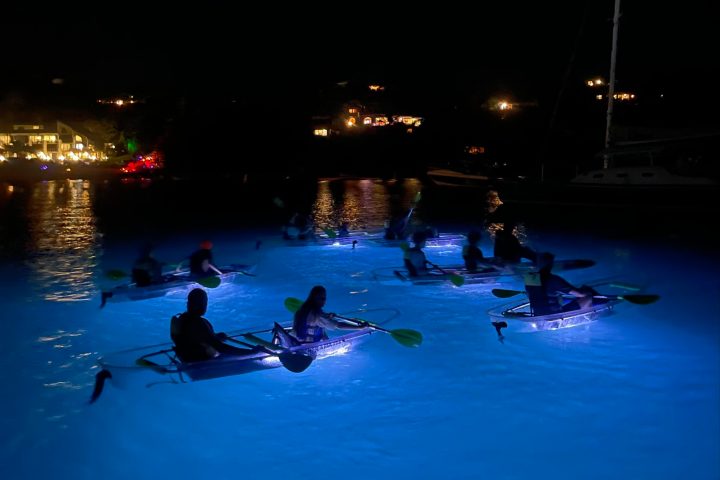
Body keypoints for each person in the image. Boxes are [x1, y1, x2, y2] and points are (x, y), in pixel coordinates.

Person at [170, 288, 256, 362]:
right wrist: (251, 352)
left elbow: (192, 339)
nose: (205, 306)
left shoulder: (180, 319)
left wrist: (215, 336)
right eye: (204, 303)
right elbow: (221, 348)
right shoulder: (200, 323)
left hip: (183, 357)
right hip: (199, 360)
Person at [273, 286, 368, 346]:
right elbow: (338, 325)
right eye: (322, 298)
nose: (324, 301)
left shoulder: (301, 311)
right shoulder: (318, 314)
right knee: (322, 328)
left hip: (297, 342)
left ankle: (276, 343)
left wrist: (328, 316)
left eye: (324, 298)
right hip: (310, 346)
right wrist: (359, 328)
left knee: (321, 327)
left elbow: (312, 321)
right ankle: (327, 344)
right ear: (314, 299)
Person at [524, 252, 598, 316]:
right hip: (555, 316)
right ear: (550, 265)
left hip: (538, 316)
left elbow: (531, 296)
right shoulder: (553, 279)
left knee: (559, 298)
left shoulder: (530, 278)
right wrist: (586, 291)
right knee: (588, 296)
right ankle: (589, 316)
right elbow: (580, 294)